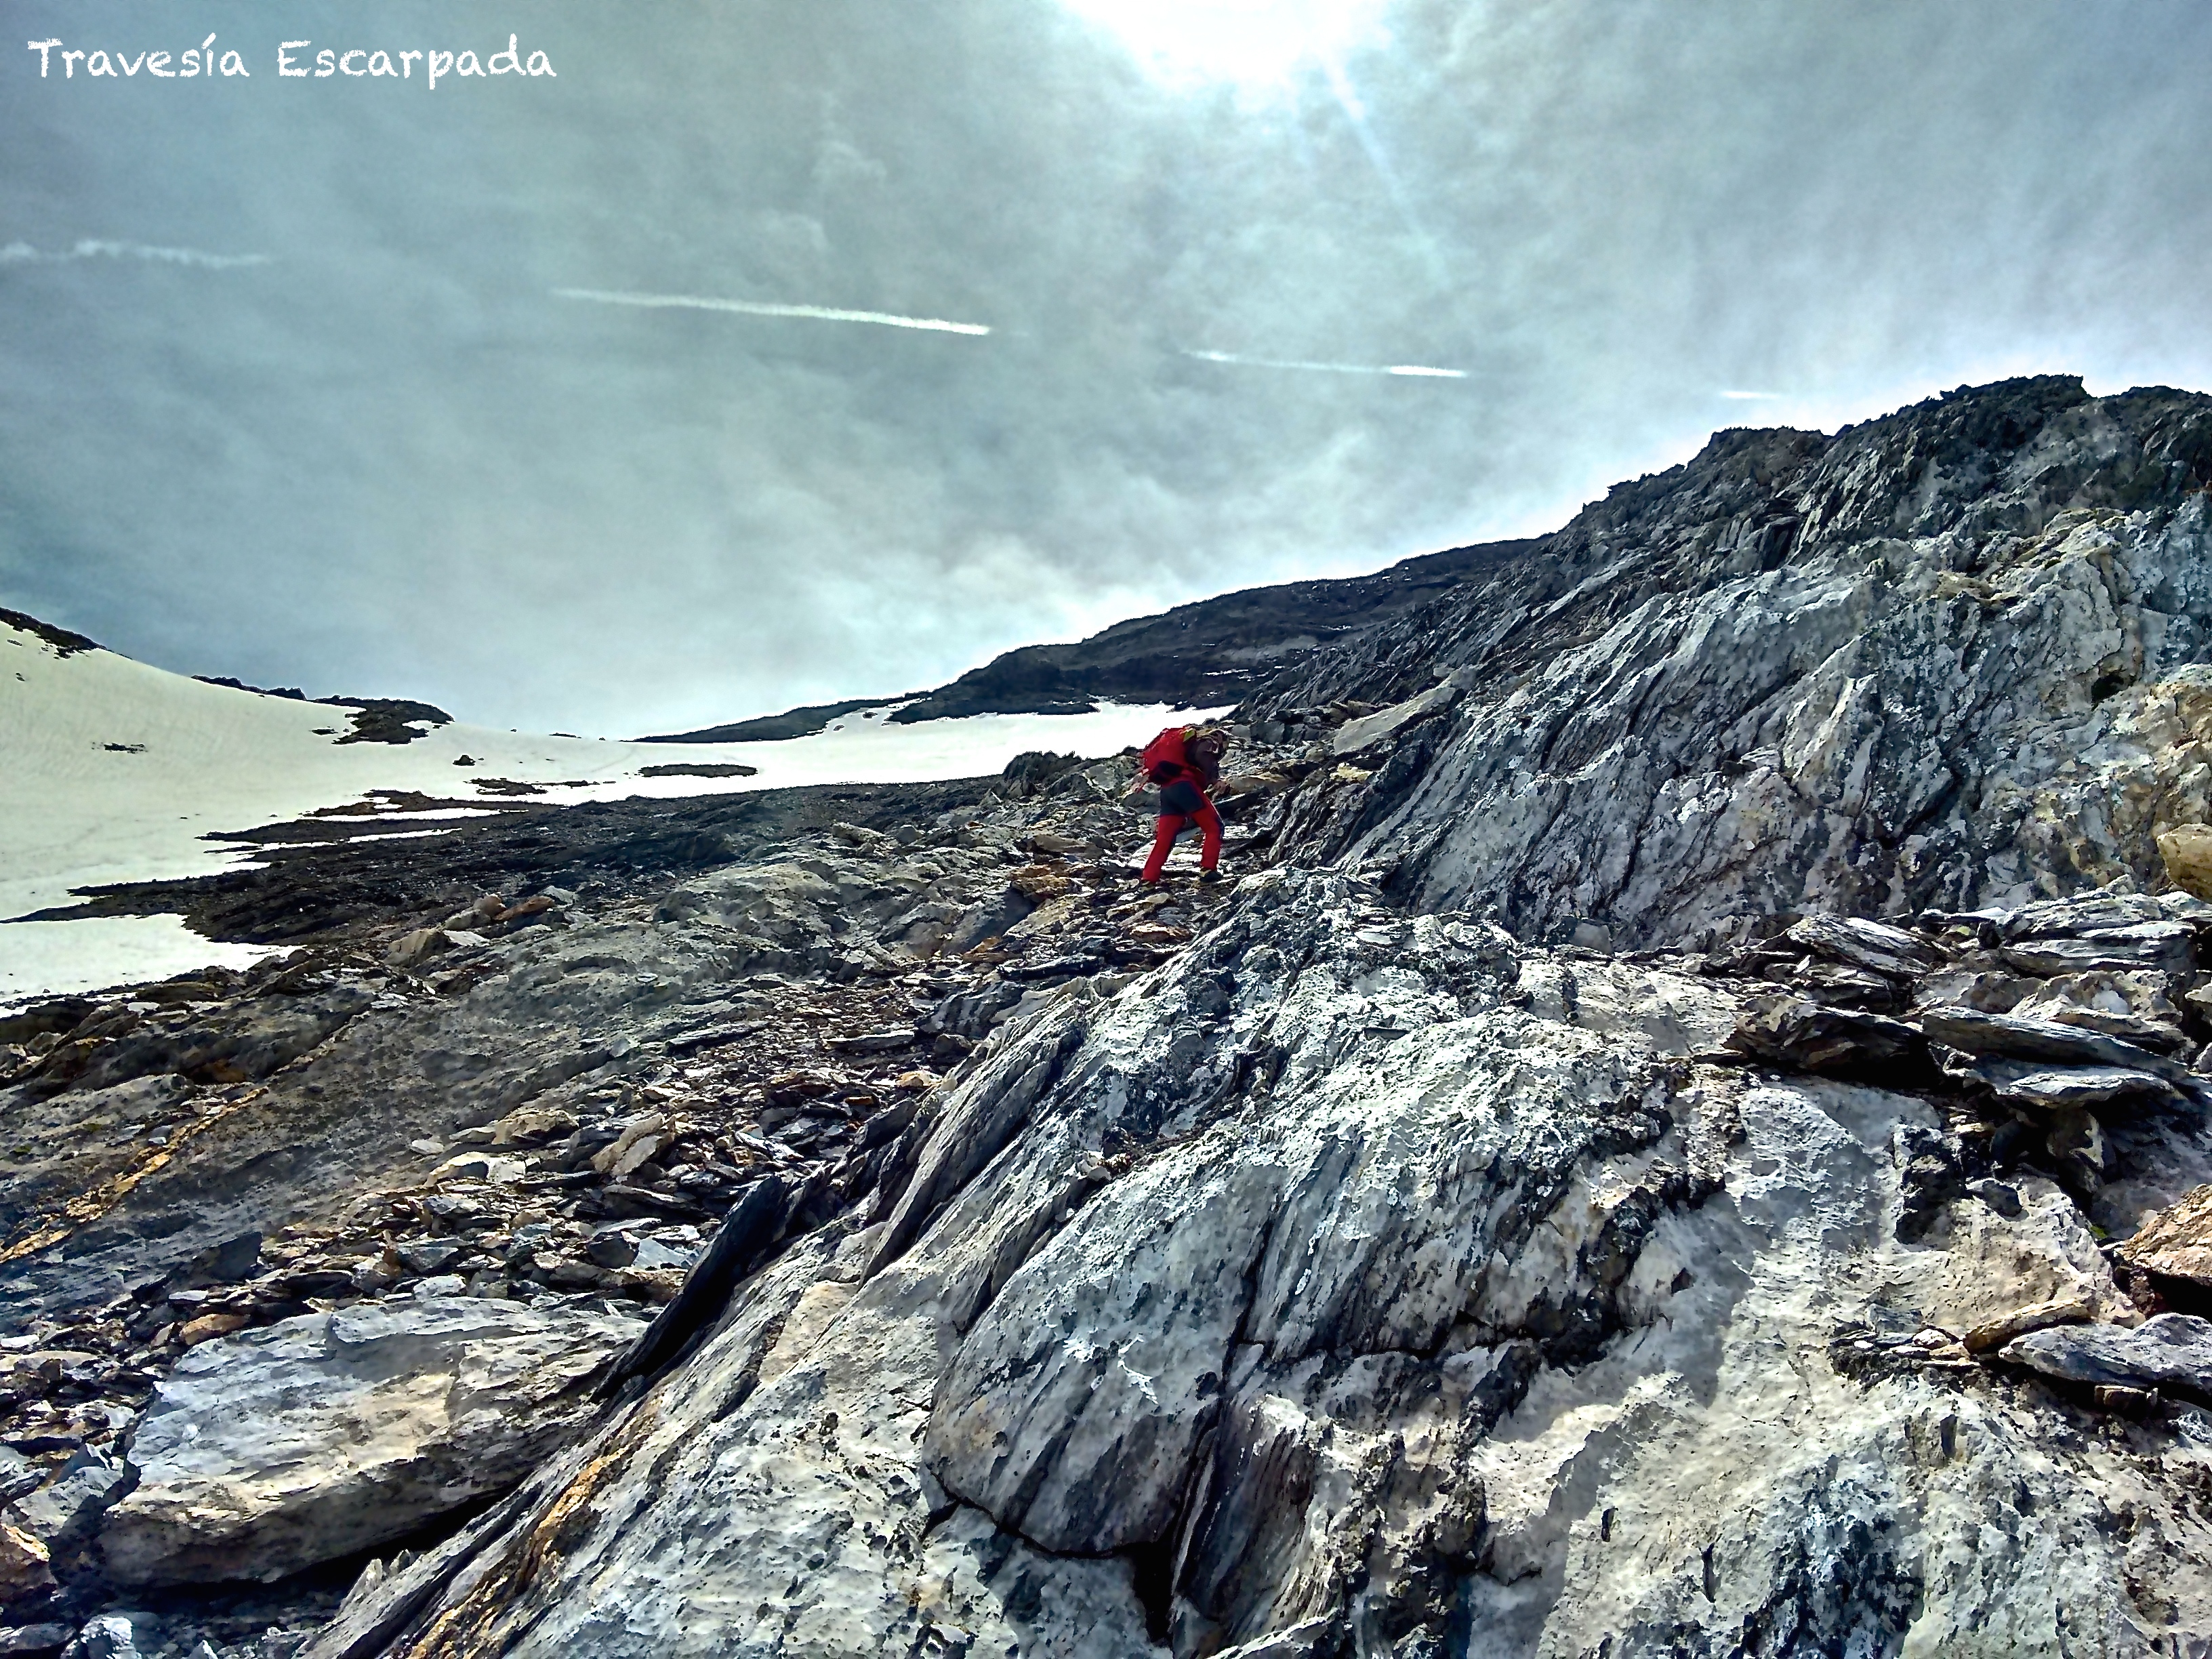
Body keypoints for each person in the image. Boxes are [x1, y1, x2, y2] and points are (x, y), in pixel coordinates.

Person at [1128, 723, 1228, 884]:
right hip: (1185, 786)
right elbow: (1203, 755)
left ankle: (1148, 878)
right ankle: (1208, 869)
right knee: (1215, 827)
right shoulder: (1209, 741)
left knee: (1165, 839)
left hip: (1168, 792)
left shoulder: (1186, 744)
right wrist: (1215, 780)